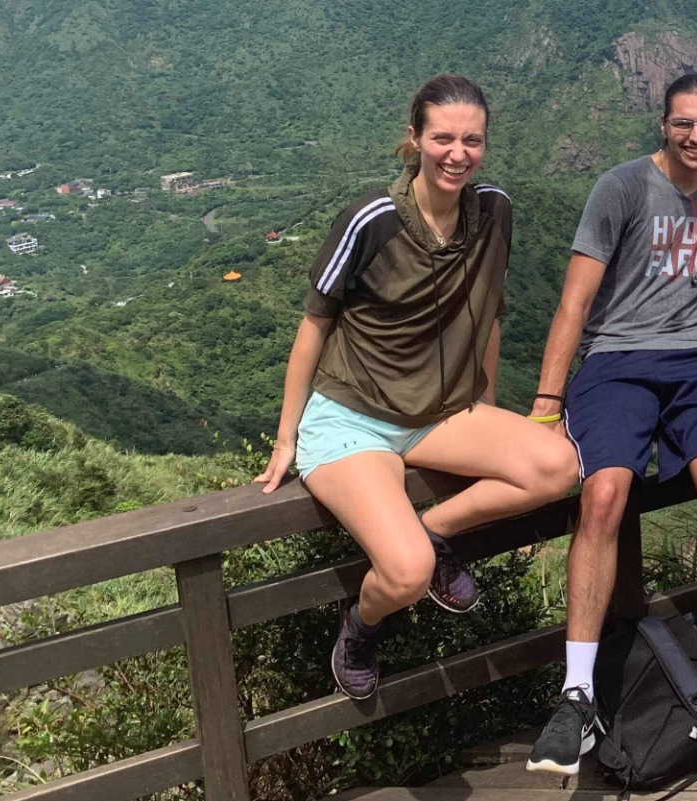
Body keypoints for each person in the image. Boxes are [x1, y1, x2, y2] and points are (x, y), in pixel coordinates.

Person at [254, 74, 580, 702]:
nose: (457, 153)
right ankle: (360, 624)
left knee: (557, 465)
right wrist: (286, 436)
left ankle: (436, 527)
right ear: (415, 140)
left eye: (472, 140)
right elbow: (314, 328)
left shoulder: (495, 212)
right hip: (352, 419)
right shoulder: (372, 220)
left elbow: (488, 311)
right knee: (405, 574)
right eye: (442, 139)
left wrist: (483, 403)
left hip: (440, 412)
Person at [524, 73, 697, 780]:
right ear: (663, 125)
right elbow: (574, 302)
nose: (696, 136)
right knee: (605, 495)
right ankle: (577, 693)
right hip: (617, 358)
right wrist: (546, 403)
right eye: (684, 123)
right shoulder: (620, 188)